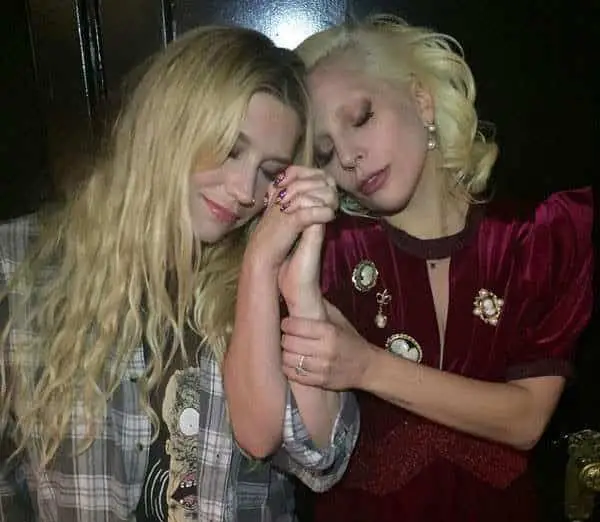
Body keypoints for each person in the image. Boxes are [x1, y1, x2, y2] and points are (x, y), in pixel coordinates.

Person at [224, 15, 593, 522]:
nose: (348, 156)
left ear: (421, 99)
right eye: (325, 153)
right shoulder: (327, 254)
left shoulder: (535, 239)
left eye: (361, 118)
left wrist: (368, 367)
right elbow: (286, 439)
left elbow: (526, 419)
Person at [0, 25, 358, 522]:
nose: (244, 190)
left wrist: (265, 269)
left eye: (269, 171)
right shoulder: (20, 262)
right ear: (170, 127)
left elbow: (319, 457)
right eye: (229, 148)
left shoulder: (275, 283)